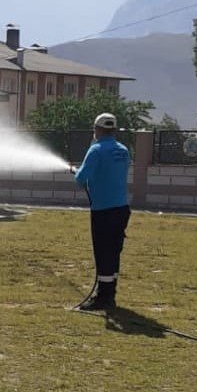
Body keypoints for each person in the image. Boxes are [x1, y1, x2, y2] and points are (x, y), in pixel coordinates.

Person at [73, 112, 131, 311]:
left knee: (103, 252)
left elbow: (81, 179)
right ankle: (110, 294)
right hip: (122, 208)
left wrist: (77, 171)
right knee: (114, 251)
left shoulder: (95, 150)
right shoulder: (124, 150)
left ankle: (103, 299)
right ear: (114, 130)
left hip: (103, 210)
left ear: (97, 130)